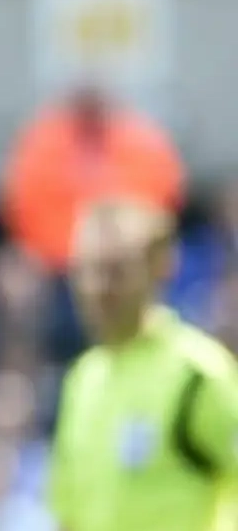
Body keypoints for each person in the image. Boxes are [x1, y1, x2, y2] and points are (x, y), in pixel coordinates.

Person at [49, 197, 238, 531]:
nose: (99, 288)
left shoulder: (196, 374)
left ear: (156, 268)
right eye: (87, 271)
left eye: (116, 272)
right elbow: (68, 513)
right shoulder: (82, 379)